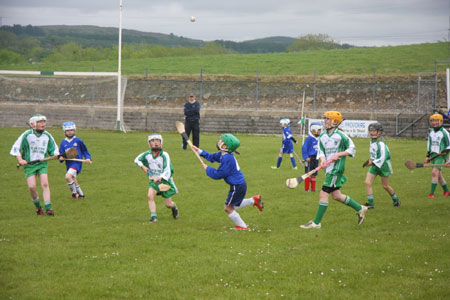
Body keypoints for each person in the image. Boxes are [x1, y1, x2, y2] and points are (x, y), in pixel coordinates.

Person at [300, 111, 368, 229]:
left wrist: (340, 154)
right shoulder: (322, 135)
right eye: (325, 118)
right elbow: (321, 151)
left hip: (336, 169)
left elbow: (352, 149)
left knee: (323, 193)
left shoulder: (341, 135)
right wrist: (322, 160)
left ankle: (316, 223)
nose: (325, 121)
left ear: (335, 122)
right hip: (329, 168)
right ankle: (360, 208)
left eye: (328, 119)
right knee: (336, 195)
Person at [192, 134, 263, 231]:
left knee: (228, 208)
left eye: (221, 141)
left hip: (237, 186)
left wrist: (208, 169)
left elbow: (219, 174)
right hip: (239, 185)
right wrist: (199, 151)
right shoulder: (224, 154)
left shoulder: (227, 158)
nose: (219, 141)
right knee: (233, 205)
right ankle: (254, 200)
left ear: (225, 146)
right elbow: (212, 157)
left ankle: (242, 226)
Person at [10, 114, 59, 216]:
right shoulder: (27, 135)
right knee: (32, 187)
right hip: (29, 164)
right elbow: (16, 148)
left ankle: (48, 208)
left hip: (42, 164)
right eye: (40, 122)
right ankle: (38, 207)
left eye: (44, 122)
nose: (42, 124)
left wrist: (56, 154)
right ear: (33, 124)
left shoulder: (47, 135)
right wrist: (20, 159)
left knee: (45, 184)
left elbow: (54, 149)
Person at [134, 133, 179, 222]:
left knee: (168, 204)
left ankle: (174, 207)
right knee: (150, 196)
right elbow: (136, 160)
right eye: (153, 141)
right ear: (149, 143)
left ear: (161, 143)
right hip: (153, 180)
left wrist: (161, 178)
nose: (156, 143)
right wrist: (143, 167)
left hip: (165, 181)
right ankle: (154, 217)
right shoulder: (147, 154)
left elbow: (168, 170)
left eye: (158, 141)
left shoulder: (164, 155)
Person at [363, 122, 400, 208]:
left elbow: (384, 156)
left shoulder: (381, 143)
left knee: (385, 186)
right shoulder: (372, 141)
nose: (371, 132)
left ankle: (396, 200)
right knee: (367, 182)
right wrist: (372, 163)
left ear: (379, 132)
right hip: (374, 165)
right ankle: (371, 204)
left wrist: (372, 162)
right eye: (370, 130)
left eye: (374, 131)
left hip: (383, 166)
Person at [59, 122, 92, 199]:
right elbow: (61, 154)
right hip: (69, 164)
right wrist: (61, 158)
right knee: (73, 178)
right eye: (68, 130)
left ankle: (74, 193)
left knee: (67, 177)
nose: (70, 132)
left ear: (75, 130)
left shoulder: (78, 141)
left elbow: (85, 151)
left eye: (72, 130)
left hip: (77, 163)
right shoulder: (63, 143)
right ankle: (81, 194)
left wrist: (88, 158)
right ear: (64, 131)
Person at [425, 113, 450, 198]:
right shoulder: (431, 132)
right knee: (439, 175)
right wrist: (428, 156)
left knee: (434, 173)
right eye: (433, 121)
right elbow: (429, 144)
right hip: (433, 156)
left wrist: (445, 153)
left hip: (441, 156)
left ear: (441, 121)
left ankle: (431, 194)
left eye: (436, 120)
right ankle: (446, 190)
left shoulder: (444, 132)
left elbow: (449, 145)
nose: (434, 123)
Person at [301, 122, 322, 192]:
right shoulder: (309, 138)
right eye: (319, 130)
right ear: (313, 130)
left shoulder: (319, 139)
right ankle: (306, 189)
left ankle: (313, 189)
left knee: (314, 174)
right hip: (310, 158)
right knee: (308, 174)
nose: (320, 131)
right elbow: (304, 148)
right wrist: (306, 157)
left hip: (316, 158)